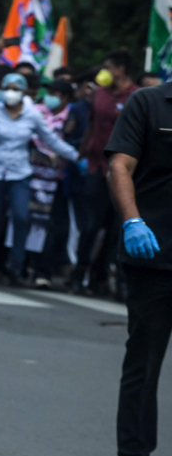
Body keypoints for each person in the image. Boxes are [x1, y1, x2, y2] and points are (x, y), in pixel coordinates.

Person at [105, 80, 172, 456]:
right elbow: (119, 167)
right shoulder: (148, 103)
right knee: (144, 367)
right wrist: (132, 220)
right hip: (155, 256)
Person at [0, 73, 84, 286]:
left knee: (22, 218)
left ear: (24, 92)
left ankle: (16, 270)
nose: (11, 93)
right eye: (8, 88)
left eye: (16, 88)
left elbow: (50, 140)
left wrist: (76, 156)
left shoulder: (32, 115)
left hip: (19, 172)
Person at [73, 50, 138, 293]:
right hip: (96, 167)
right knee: (90, 225)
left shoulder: (135, 96)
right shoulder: (99, 94)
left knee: (116, 228)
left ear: (120, 70)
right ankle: (79, 274)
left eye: (108, 67)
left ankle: (106, 277)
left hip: (122, 172)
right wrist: (81, 154)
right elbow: (91, 125)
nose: (105, 72)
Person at [29, 80, 77, 289]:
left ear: (65, 97)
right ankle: (20, 266)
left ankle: (43, 271)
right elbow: (35, 136)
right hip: (30, 177)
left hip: (57, 181)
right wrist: (50, 152)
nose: (50, 96)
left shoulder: (72, 117)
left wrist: (75, 156)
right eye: (49, 92)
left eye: (55, 93)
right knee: (24, 221)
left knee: (51, 227)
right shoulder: (35, 111)